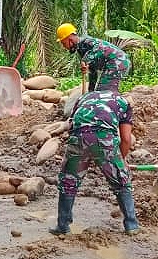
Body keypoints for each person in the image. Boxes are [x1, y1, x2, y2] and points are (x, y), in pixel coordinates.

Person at [49, 89, 140, 236]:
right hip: (105, 139)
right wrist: (121, 161)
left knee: (68, 182)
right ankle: (131, 225)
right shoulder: (122, 101)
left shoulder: (84, 98)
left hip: (78, 139)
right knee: (121, 182)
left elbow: (71, 125)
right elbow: (126, 139)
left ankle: (62, 226)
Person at [56, 23, 131, 93]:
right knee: (99, 91)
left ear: (69, 39)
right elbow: (93, 71)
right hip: (112, 64)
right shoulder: (81, 50)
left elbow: (99, 48)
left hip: (117, 61)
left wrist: (85, 60)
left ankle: (115, 104)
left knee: (104, 91)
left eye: (63, 43)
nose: (64, 46)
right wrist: (90, 91)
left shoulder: (87, 41)